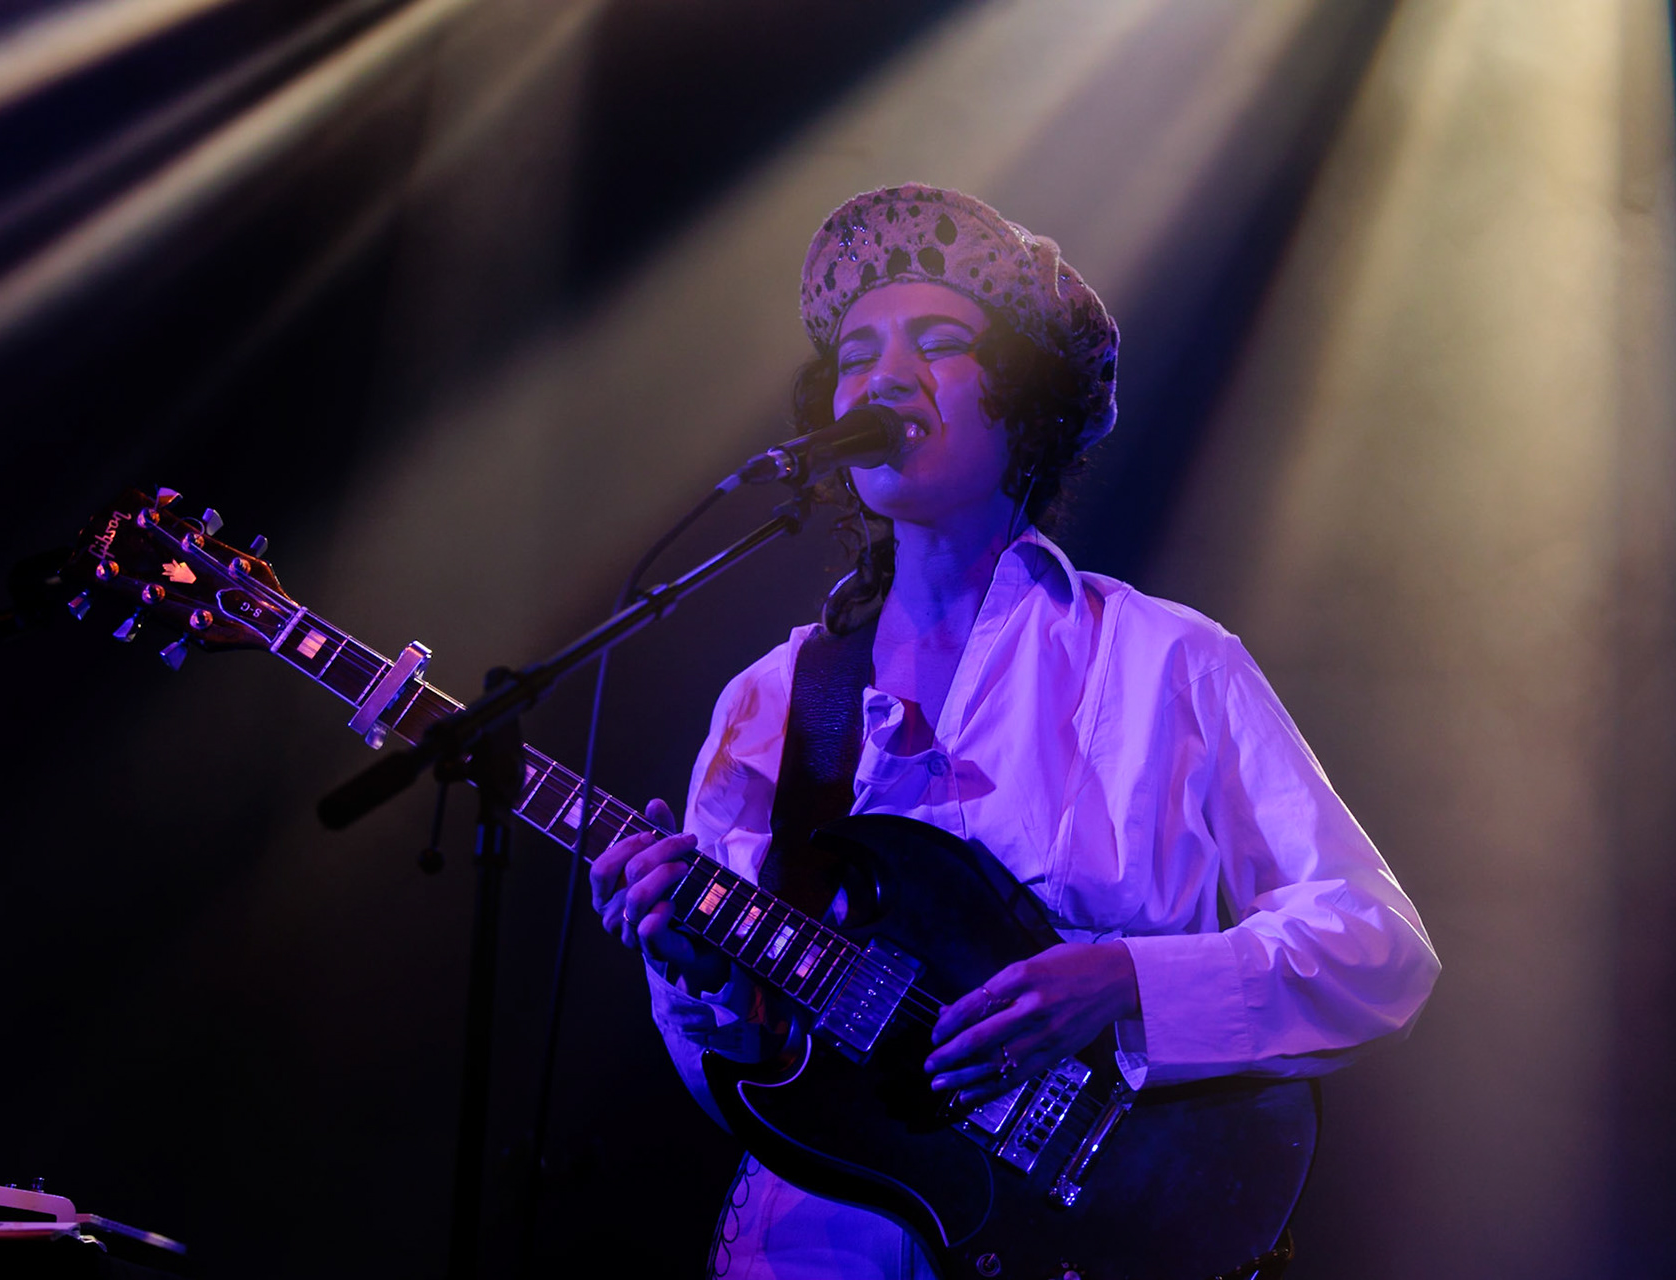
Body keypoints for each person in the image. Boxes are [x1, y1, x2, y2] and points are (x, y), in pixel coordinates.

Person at [589, 184, 1439, 1279]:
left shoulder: (1170, 660)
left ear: (1028, 402)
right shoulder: (771, 701)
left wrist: (1127, 981)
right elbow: (745, 1074)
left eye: (938, 342)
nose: (884, 376)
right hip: (811, 1247)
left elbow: (1378, 951)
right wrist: (694, 975)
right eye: (856, 354)